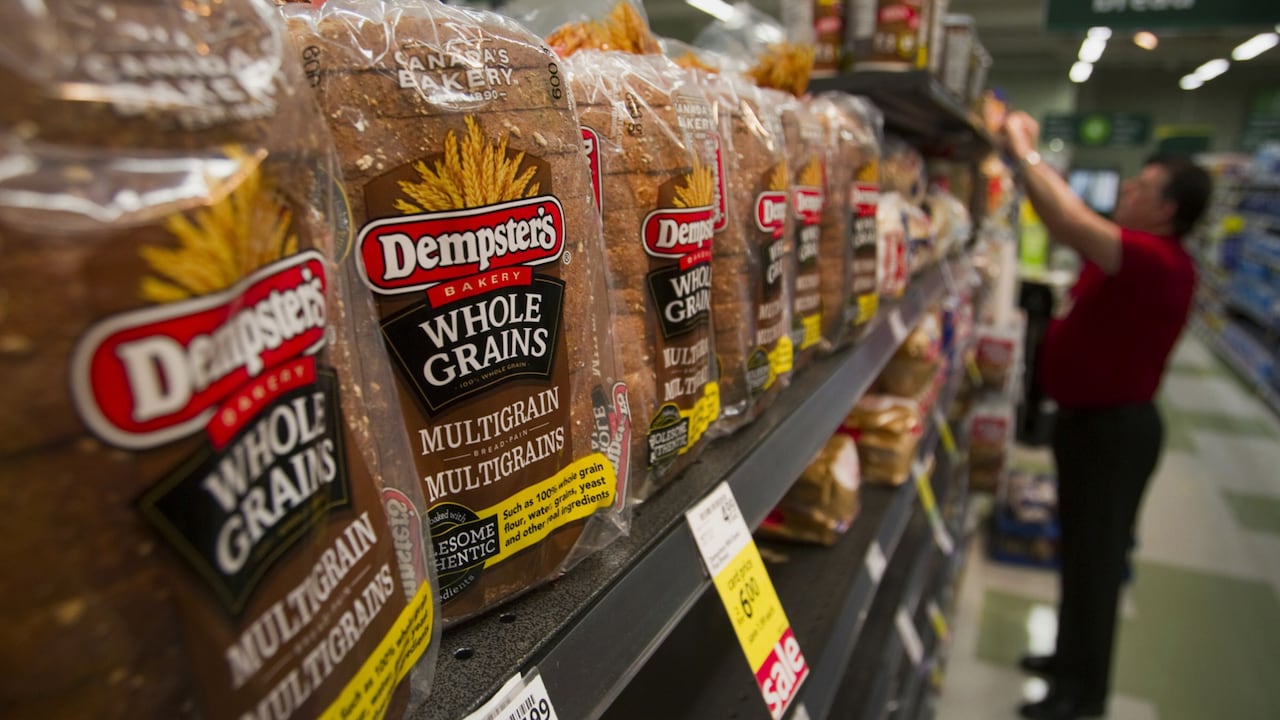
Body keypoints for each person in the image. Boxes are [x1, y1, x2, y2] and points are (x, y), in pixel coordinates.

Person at [999, 111, 1212, 720]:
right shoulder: (1136, 252)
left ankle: (1080, 698)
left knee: (1096, 564)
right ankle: (1069, 661)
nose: (1126, 192)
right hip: (1090, 424)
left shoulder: (1159, 261)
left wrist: (1023, 152)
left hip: (1115, 432)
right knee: (1080, 553)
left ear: (1168, 211)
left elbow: (1066, 219)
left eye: (1141, 188)